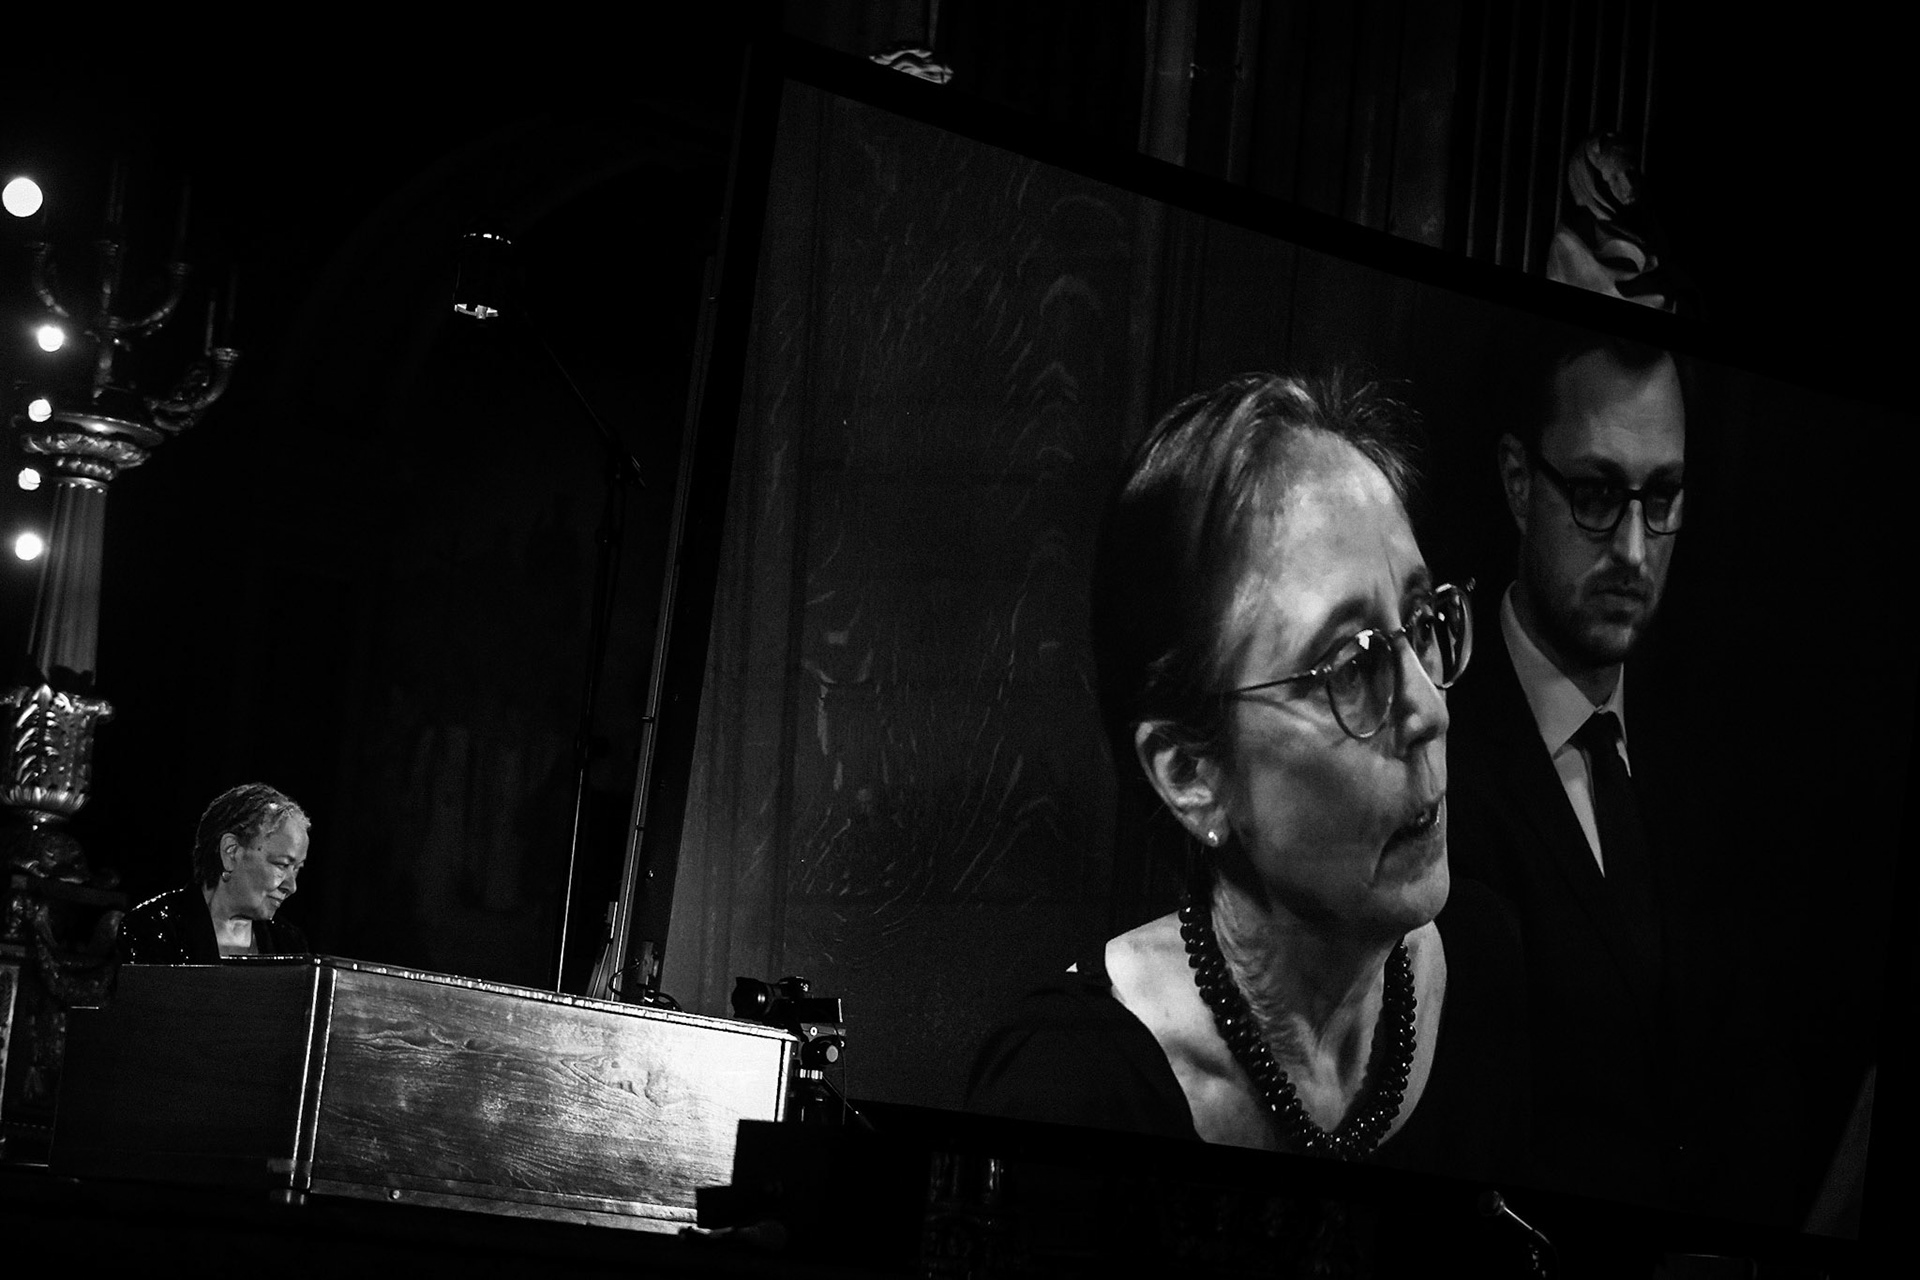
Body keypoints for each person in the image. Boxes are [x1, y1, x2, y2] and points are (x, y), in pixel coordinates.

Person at [967, 371, 1528, 1181]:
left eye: (1421, 622)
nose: (1430, 709)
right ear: (1191, 774)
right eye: (1350, 666)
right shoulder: (1068, 1088)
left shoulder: (1484, 963)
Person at [1444, 330, 1691, 1208]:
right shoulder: (1432, 740)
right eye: (1595, 494)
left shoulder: (1711, 736)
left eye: (1662, 498)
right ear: (1520, 481)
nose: (1633, 550)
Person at [119, 783, 312, 963]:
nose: (291, 887)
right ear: (231, 852)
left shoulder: (289, 943)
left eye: (297, 869)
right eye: (282, 865)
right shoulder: (152, 929)